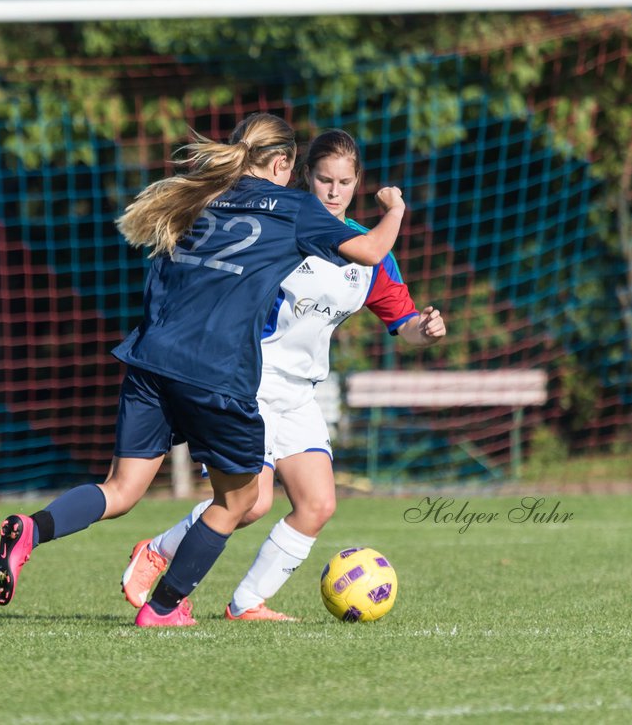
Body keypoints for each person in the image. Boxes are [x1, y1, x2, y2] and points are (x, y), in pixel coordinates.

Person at [0, 112, 406, 626]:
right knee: (240, 500)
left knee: (119, 490)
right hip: (215, 370)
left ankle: (33, 528)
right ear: (284, 164)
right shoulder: (294, 208)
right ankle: (163, 607)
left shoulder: (197, 198)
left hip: (149, 357)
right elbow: (370, 249)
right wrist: (395, 209)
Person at [121, 129, 447, 620]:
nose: (333, 191)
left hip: (299, 395)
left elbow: (404, 327)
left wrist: (427, 327)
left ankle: (248, 602)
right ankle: (157, 552)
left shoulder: (366, 250)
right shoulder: (279, 225)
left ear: (357, 182)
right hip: (248, 381)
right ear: (304, 177)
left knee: (318, 505)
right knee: (250, 504)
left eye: (343, 181)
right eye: (323, 179)